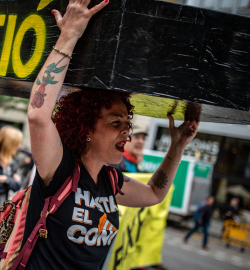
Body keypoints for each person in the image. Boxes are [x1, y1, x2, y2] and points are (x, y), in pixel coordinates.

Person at [21, 1, 199, 269]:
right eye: (116, 122)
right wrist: (69, 34)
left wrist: (178, 145)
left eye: (128, 121)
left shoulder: (110, 180)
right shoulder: (59, 168)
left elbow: (153, 194)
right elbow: (37, 115)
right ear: (86, 126)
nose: (127, 130)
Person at [0, 125, 23, 214]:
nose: (19, 146)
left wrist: (5, 179)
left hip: (1, 211)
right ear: (9, 143)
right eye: (16, 143)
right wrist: (11, 181)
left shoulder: (12, 162)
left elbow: (18, 185)